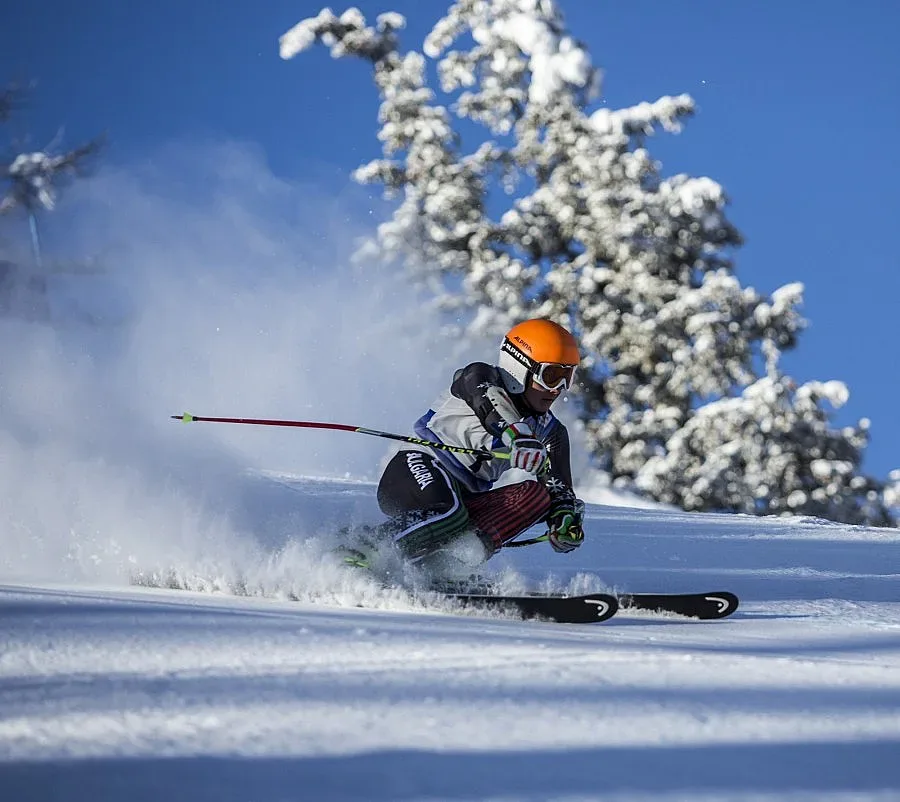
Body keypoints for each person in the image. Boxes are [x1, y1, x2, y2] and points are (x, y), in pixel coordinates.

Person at [344, 318, 586, 582]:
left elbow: (558, 489)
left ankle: (446, 567)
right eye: (551, 376)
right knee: (449, 512)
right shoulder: (479, 377)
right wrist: (516, 433)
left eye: (567, 378)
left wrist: (565, 517)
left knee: (537, 497)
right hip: (416, 469)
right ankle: (361, 548)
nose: (558, 390)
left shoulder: (551, 431)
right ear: (519, 368)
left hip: (466, 497)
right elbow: (489, 405)